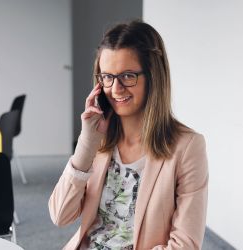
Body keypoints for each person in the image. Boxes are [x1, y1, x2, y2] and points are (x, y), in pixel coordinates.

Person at [49, 20, 208, 250]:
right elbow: (60, 215)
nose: (115, 89)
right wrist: (86, 144)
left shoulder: (187, 147)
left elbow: (185, 245)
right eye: (107, 77)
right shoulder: (98, 138)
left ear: (153, 76)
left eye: (127, 76)